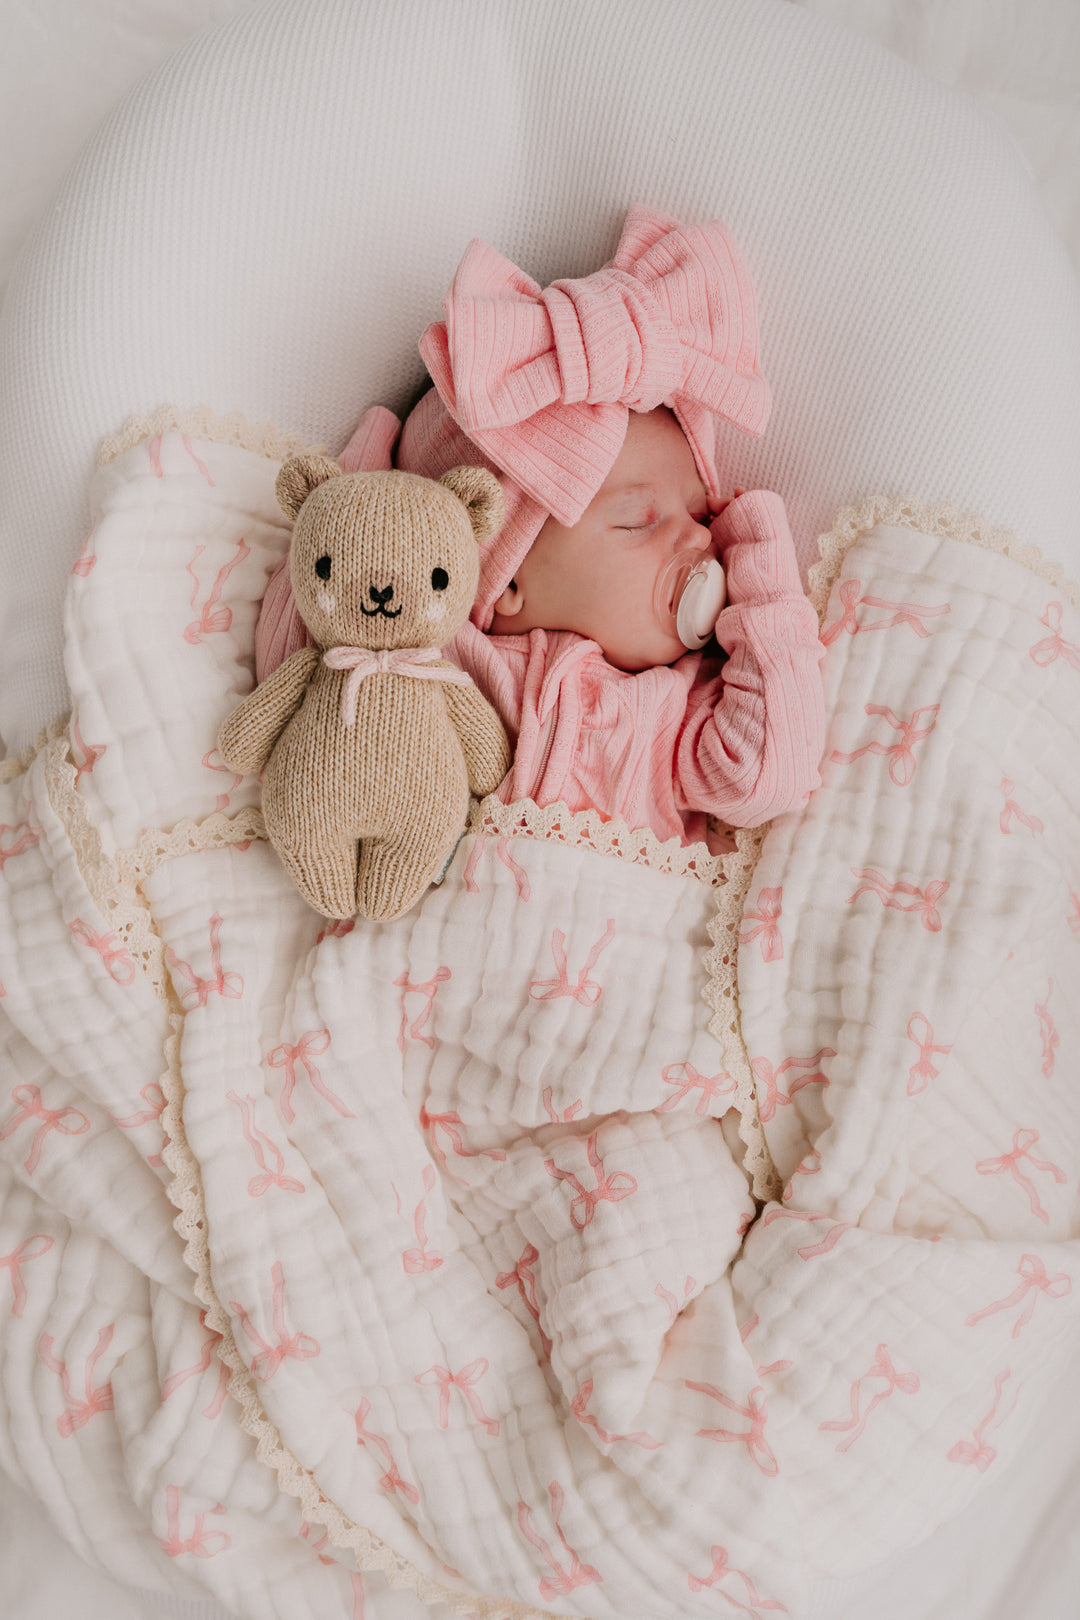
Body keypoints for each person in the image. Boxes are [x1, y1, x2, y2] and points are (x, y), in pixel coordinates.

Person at [256, 205, 826, 849]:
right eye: (642, 520)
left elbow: (766, 774)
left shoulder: (669, 715)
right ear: (504, 582)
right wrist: (357, 502)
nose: (700, 540)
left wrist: (759, 563)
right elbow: (306, 658)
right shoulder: (438, 667)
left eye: (700, 515)